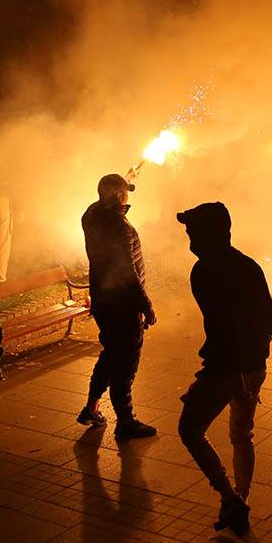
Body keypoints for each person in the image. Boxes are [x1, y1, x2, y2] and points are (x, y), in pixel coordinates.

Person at [174, 202, 272, 536]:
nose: (189, 240)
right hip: (252, 366)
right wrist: (256, 361)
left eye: (193, 233)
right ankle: (241, 501)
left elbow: (222, 329)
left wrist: (209, 377)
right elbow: (267, 318)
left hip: (226, 368)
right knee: (242, 435)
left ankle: (230, 498)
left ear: (211, 234)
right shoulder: (249, 266)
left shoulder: (204, 271)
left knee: (190, 428)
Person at [76, 174, 157, 441]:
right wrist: (146, 305)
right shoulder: (119, 227)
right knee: (125, 364)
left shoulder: (91, 216)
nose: (128, 195)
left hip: (103, 301)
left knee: (111, 355)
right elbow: (129, 273)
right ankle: (126, 421)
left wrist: (115, 185)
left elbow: (100, 203)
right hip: (123, 304)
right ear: (116, 196)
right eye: (124, 192)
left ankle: (91, 408)